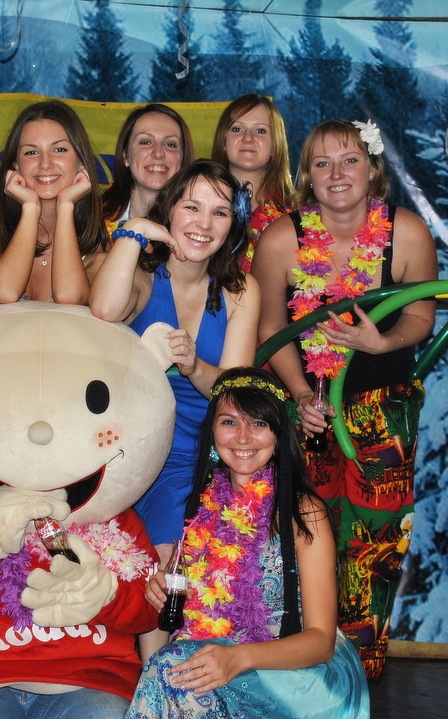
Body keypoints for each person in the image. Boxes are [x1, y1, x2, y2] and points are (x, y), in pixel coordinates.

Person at [251, 119, 437, 679]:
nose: (337, 174)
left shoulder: (406, 233)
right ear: (307, 175)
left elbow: (421, 315)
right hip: (307, 408)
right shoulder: (281, 239)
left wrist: (381, 342)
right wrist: (300, 395)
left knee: (376, 537)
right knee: (309, 526)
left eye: (350, 160)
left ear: (372, 168)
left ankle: (362, 664)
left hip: (384, 405)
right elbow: (269, 330)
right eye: (322, 163)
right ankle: (303, 655)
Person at [127, 368, 370, 719]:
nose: (243, 437)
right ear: (212, 432)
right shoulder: (198, 506)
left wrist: (237, 658)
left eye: (258, 423)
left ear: (278, 434)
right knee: (172, 670)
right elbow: (178, 617)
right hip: (218, 657)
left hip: (297, 677)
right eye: (229, 422)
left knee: (175, 673)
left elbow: (320, 642)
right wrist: (162, 593)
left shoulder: (303, 512)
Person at [90, 159, 260, 569]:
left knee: (170, 561)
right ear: (168, 211)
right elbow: (104, 308)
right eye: (192, 207)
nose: (204, 223)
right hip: (124, 445)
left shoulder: (240, 289)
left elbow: (235, 391)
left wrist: (193, 365)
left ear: (232, 225)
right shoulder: (142, 276)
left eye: (220, 212)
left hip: (193, 452)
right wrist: (136, 230)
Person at [0, 99, 108, 304]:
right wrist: (30, 208)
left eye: (59, 150)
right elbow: (4, 292)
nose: (45, 164)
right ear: (16, 165)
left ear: (81, 161)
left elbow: (69, 298)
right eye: (31, 152)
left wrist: (66, 206)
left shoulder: (100, 251)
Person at [211, 93, 293, 272]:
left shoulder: (297, 215)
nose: (248, 138)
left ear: (275, 145)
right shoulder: (197, 205)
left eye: (260, 131)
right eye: (237, 129)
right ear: (224, 141)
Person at [101, 103, 195, 236]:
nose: (158, 153)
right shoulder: (91, 218)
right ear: (125, 156)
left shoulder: (196, 226)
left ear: (183, 158)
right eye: (145, 142)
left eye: (170, 144)